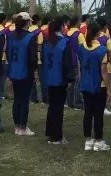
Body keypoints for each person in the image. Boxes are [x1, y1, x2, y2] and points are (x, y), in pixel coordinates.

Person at [78, 22, 111, 151]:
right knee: (98, 114)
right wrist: (108, 89)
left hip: (85, 83)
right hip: (98, 85)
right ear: (98, 33)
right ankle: (98, 140)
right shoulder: (102, 50)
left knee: (88, 112)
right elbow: (104, 71)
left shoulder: (82, 47)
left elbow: (80, 65)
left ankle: (88, 140)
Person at [43, 16, 76, 144]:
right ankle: (56, 136)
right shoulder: (64, 43)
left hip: (49, 77)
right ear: (61, 27)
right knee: (58, 108)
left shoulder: (48, 42)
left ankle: (51, 133)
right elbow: (67, 64)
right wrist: (70, 79)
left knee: (52, 106)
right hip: (60, 78)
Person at [7, 12, 38, 136]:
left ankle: (17, 127)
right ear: (27, 22)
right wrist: (34, 71)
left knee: (17, 99)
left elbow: (8, 53)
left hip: (14, 71)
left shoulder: (11, 36)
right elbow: (33, 57)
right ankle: (22, 127)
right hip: (25, 72)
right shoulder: (30, 37)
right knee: (24, 100)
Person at [97, 17, 111, 116]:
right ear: (104, 26)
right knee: (104, 85)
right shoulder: (106, 38)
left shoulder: (90, 36)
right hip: (105, 64)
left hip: (93, 64)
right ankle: (103, 107)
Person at [66, 15, 86, 110]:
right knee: (78, 81)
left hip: (68, 60)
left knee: (70, 82)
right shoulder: (79, 34)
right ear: (77, 22)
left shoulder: (67, 33)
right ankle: (78, 103)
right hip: (76, 60)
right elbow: (83, 48)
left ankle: (69, 102)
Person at [29, 14, 44, 103]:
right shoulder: (39, 32)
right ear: (38, 21)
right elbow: (40, 46)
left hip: (29, 57)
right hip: (38, 58)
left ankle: (32, 97)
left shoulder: (28, 30)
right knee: (41, 78)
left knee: (31, 78)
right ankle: (44, 97)